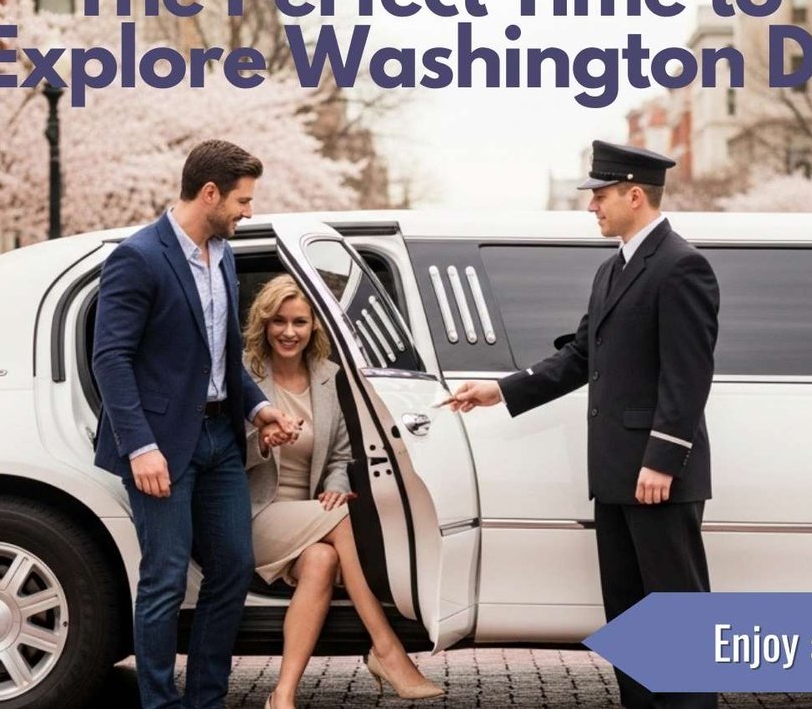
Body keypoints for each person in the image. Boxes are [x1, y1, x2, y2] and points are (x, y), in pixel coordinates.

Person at [445, 141, 720, 709]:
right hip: (616, 474)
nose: (591, 206)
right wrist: (500, 390)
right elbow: (579, 358)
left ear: (634, 194)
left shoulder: (681, 265)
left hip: (655, 474)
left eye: (599, 195)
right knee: (629, 613)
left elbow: (688, 375)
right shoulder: (611, 268)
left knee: (675, 611)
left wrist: (661, 460)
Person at [91, 140, 303, 709]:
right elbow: (109, 358)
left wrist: (258, 408)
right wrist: (140, 447)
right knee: (163, 580)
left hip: (220, 440)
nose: (248, 212)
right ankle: (159, 704)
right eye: (242, 200)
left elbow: (223, 353)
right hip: (160, 446)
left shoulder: (224, 255)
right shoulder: (138, 257)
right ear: (209, 193)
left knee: (233, 569)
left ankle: (206, 700)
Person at [242, 274, 445, 708]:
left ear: (315, 325)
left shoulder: (328, 377)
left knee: (323, 560)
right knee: (343, 518)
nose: (289, 332)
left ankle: (282, 695)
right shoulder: (247, 374)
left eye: (299, 321)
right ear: (264, 322)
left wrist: (335, 487)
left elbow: (339, 455)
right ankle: (387, 649)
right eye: (279, 321)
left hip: (310, 519)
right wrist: (262, 441)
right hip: (254, 515)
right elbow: (220, 454)